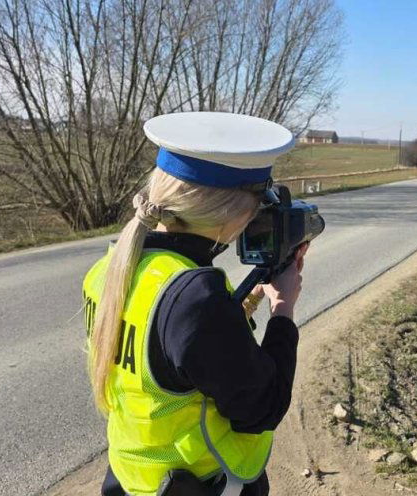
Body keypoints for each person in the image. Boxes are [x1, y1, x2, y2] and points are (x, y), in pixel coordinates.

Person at [82, 112, 307, 496]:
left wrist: (245, 302)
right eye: (258, 204)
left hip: (131, 481)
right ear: (232, 211)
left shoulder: (110, 270)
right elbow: (262, 408)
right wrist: (283, 308)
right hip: (201, 483)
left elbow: (175, 355)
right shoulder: (196, 296)